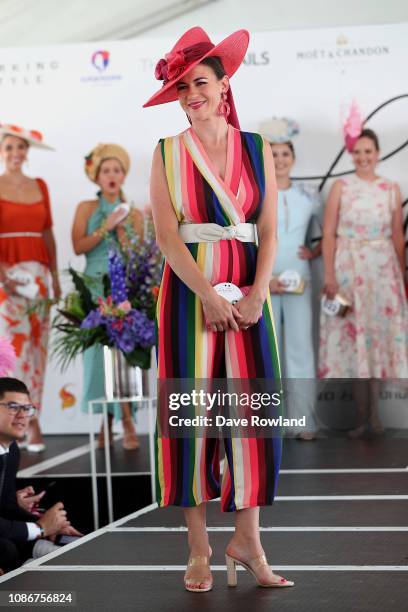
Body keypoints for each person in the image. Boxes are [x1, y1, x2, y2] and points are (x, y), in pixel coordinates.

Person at [145, 27, 294, 592]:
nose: (191, 96)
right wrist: (207, 295)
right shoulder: (165, 152)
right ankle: (199, 549)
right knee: (192, 417)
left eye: (200, 83)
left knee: (252, 415)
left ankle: (248, 541)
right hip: (188, 294)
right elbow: (166, 236)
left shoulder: (256, 147)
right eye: (182, 87)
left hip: (252, 291)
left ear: (224, 85)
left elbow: (270, 229)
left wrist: (257, 294)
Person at [319, 127, 408, 435]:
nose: (363, 157)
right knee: (353, 340)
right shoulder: (341, 187)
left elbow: (398, 236)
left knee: (377, 340)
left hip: (382, 272)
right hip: (348, 269)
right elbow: (328, 234)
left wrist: (402, 275)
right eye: (357, 152)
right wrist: (329, 274)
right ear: (351, 154)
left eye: (368, 151)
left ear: (378, 153)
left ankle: (377, 416)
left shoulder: (391, 189)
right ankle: (361, 415)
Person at [71, 144, 139, 450]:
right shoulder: (86, 207)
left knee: (125, 354)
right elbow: (78, 246)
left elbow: (137, 255)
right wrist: (105, 227)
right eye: (106, 171)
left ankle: (121, 421)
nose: (112, 175)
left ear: (124, 175)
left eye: (117, 170)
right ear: (97, 177)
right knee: (97, 358)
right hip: (94, 286)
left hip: (124, 284)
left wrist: (124, 233)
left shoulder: (134, 212)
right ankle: (111, 421)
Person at [0, 124, 61, 453]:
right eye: (9, 147)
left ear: (27, 152)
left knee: (38, 351)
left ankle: (33, 419)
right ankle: (12, 424)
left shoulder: (40, 186)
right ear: (2, 151)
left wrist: (55, 277)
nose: (15, 154)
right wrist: (3, 276)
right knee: (14, 351)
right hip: (7, 280)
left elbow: (48, 234)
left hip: (38, 278)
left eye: (20, 148)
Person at [260, 117, 322, 440]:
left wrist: (314, 253)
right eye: (273, 154)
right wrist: (261, 280)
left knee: (300, 348)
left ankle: (304, 420)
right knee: (267, 352)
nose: (280, 160)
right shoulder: (255, 196)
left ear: (293, 157)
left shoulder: (309, 196)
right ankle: (272, 421)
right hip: (263, 281)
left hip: (299, 280)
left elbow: (328, 233)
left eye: (285, 154)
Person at [0, 377, 80, 573]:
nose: (22, 416)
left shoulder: (12, 450)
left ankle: (40, 554)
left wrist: (52, 526)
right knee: (6, 549)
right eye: (12, 407)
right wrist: (40, 529)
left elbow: (7, 505)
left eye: (27, 409)